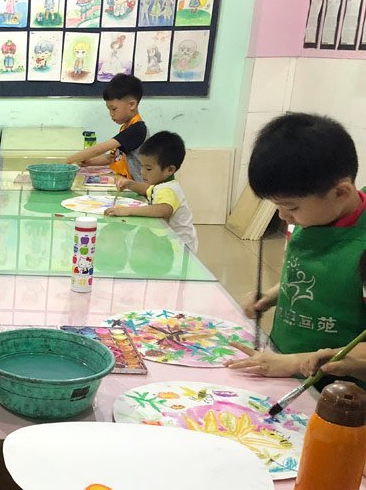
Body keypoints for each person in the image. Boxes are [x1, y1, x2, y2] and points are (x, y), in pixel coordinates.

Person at [225, 113, 365, 383]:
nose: (283, 216)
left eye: (291, 207)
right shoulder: (315, 218)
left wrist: (293, 362)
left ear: (340, 193)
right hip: (282, 364)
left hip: (336, 389)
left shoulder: (361, 246)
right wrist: (270, 296)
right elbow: (310, 279)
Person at [229, 252, 366, 385]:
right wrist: (271, 296)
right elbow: (302, 274)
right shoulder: (301, 236)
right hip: (283, 356)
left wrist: (293, 362)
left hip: (337, 379)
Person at [104, 131, 198, 252]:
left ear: (170, 170)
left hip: (179, 247)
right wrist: (129, 184)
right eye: (141, 166)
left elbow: (163, 210)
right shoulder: (161, 185)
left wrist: (128, 210)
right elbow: (148, 190)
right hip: (168, 241)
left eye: (148, 168)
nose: (142, 172)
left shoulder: (168, 190)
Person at [65, 74, 148, 181]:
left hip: (139, 185)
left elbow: (98, 149)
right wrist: (90, 162)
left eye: (114, 109)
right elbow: (112, 158)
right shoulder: (126, 127)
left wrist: (68, 160)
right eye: (109, 110)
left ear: (132, 105)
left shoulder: (137, 129)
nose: (111, 114)